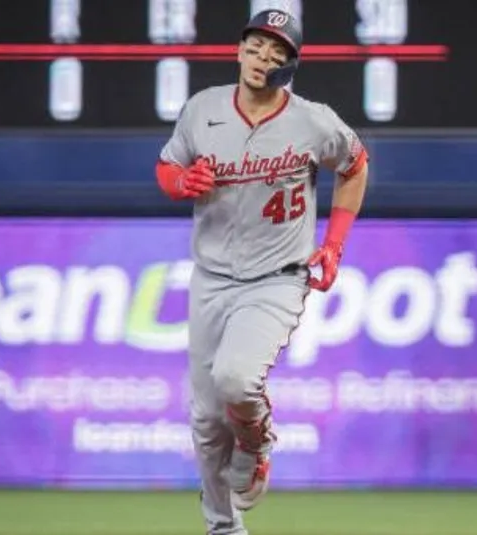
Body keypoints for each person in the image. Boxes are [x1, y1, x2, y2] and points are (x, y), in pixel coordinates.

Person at [155, 8, 369, 535]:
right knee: (207, 419)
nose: (262, 58)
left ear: (289, 65)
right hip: (211, 278)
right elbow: (167, 166)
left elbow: (356, 165)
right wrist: (181, 183)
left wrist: (334, 244)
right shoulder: (202, 109)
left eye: (275, 52)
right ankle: (224, 528)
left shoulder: (313, 121)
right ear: (239, 50)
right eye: (255, 47)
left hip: (277, 276)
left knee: (235, 378)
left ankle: (257, 441)